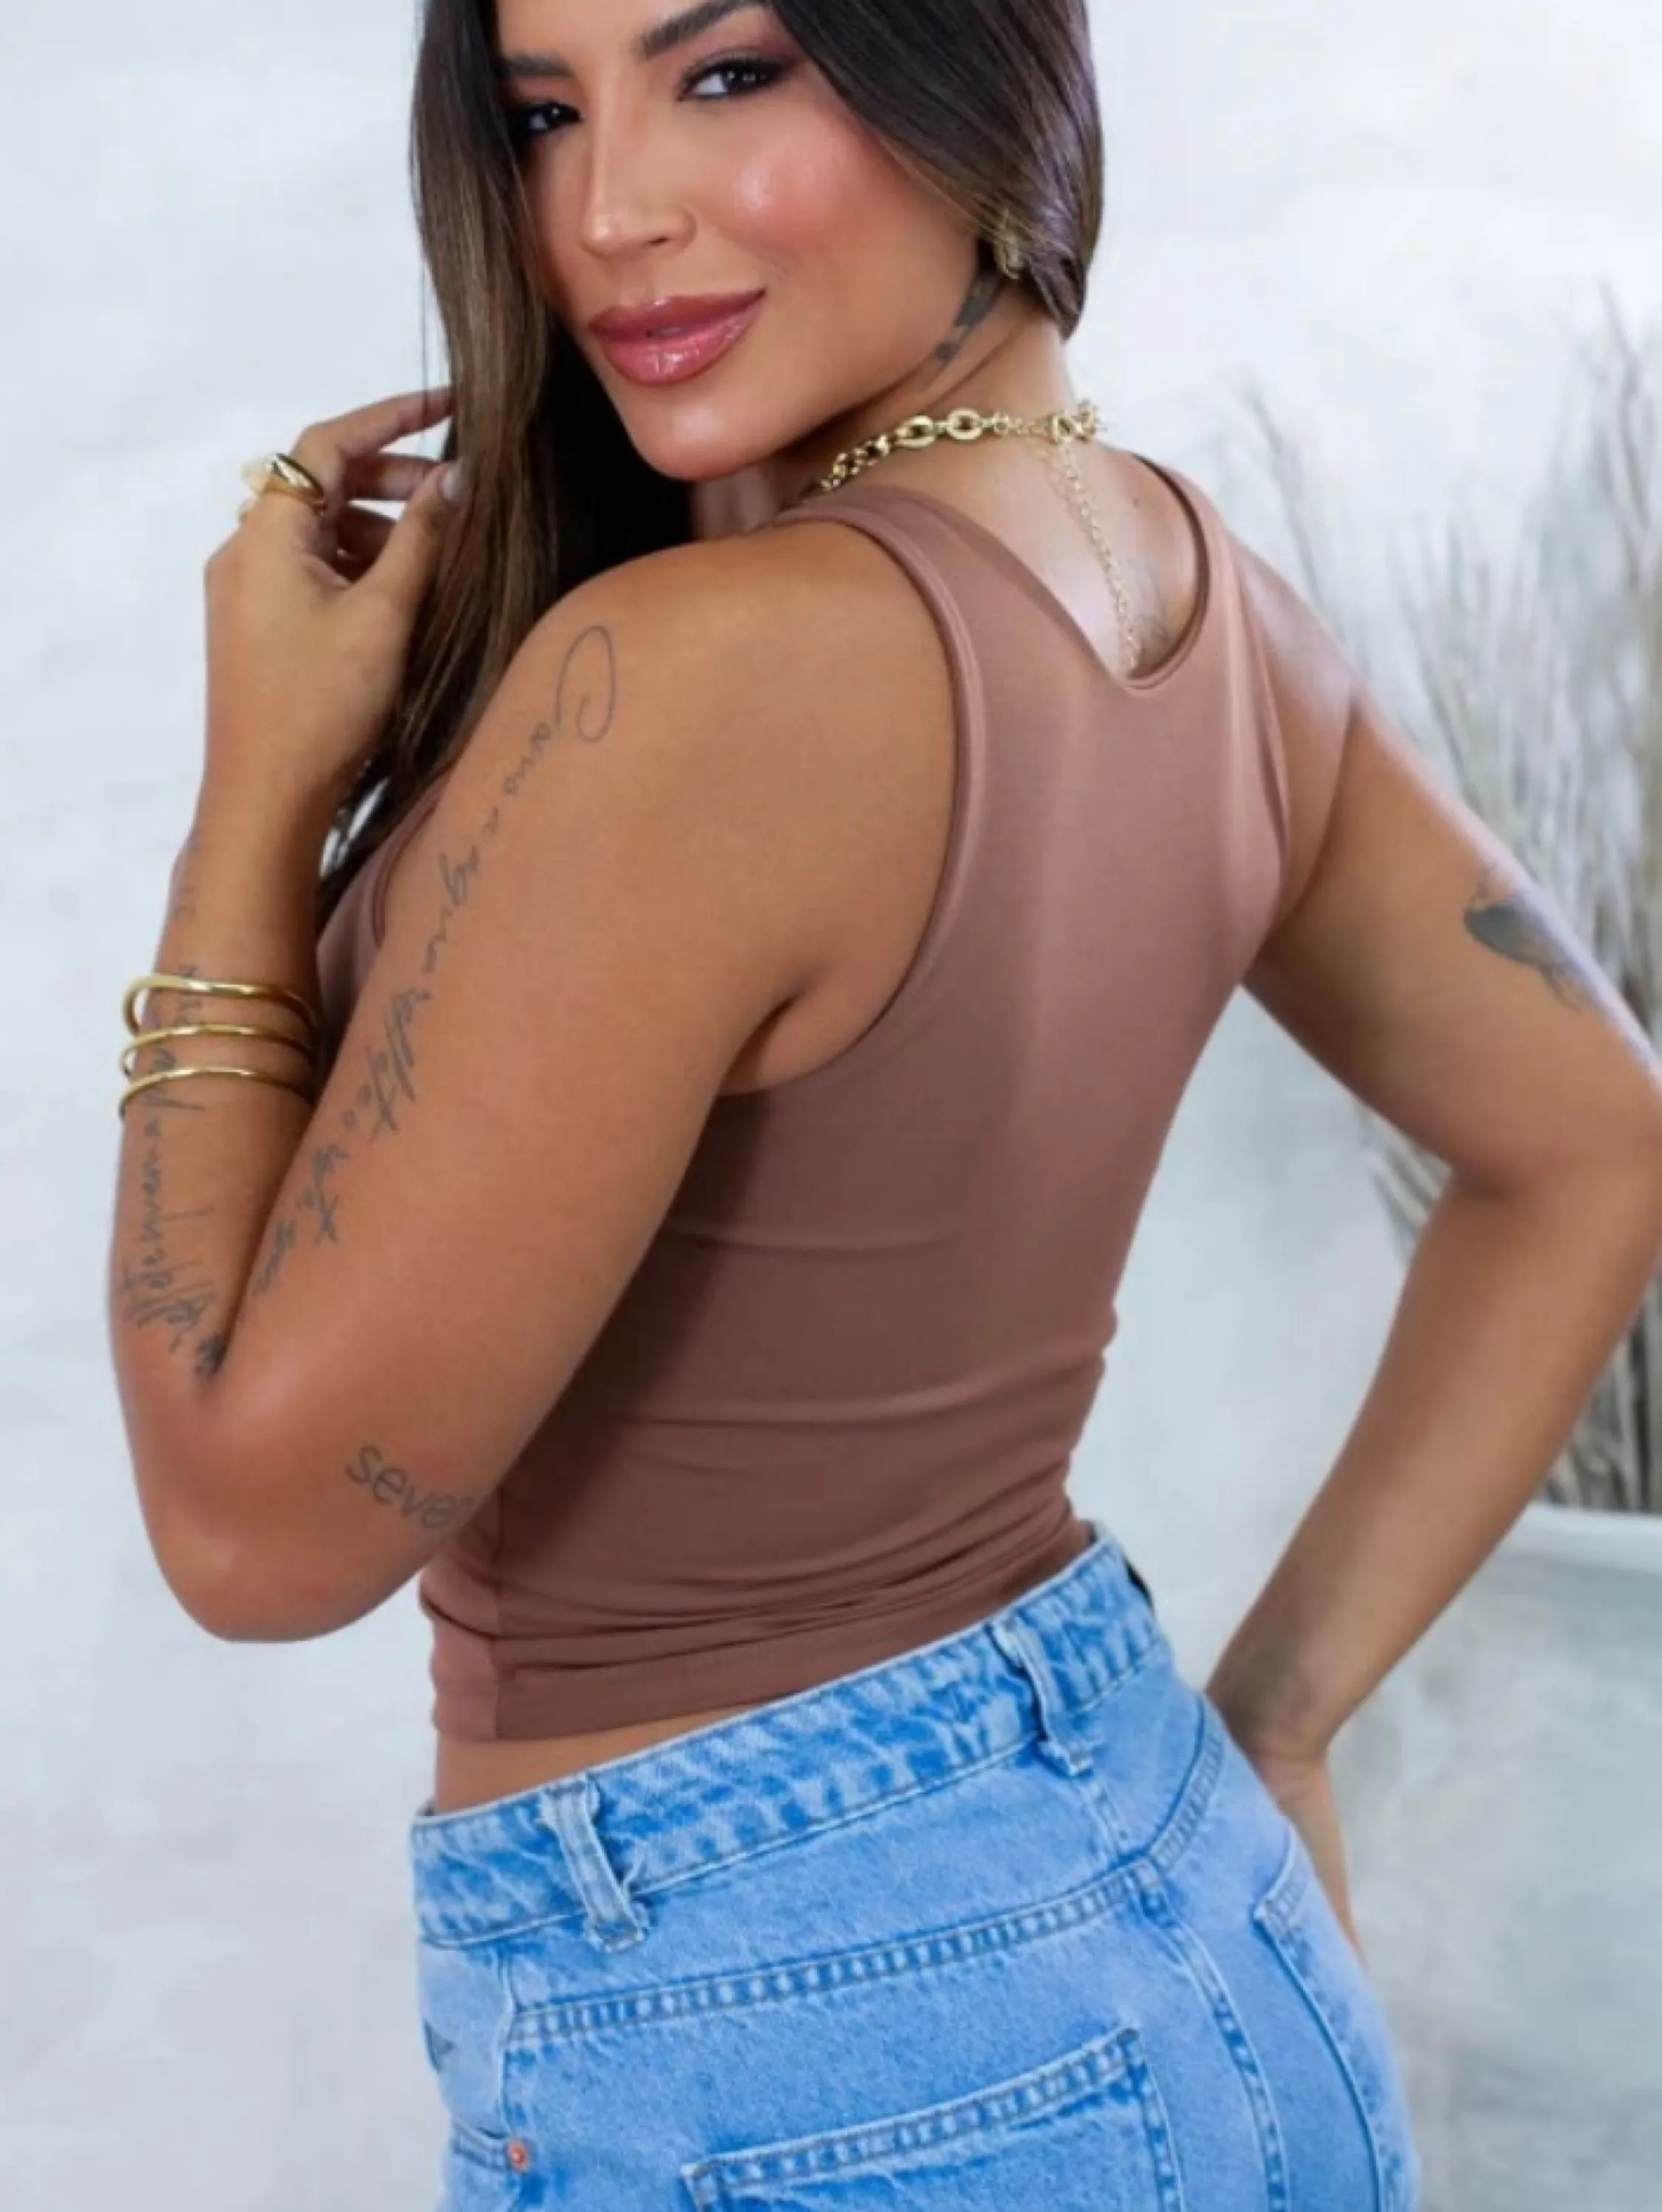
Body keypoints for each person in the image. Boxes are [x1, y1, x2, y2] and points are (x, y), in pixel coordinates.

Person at [106, 1, 1662, 2205]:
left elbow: (253, 1538)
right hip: (1195, 1932)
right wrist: (1282, 1721)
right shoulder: (1198, 593)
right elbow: (1596, 1135)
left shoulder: (708, 677)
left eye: (727, 72)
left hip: (812, 2050)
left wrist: (254, 800)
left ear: (983, 69)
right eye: (543, 112)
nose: (607, 212)